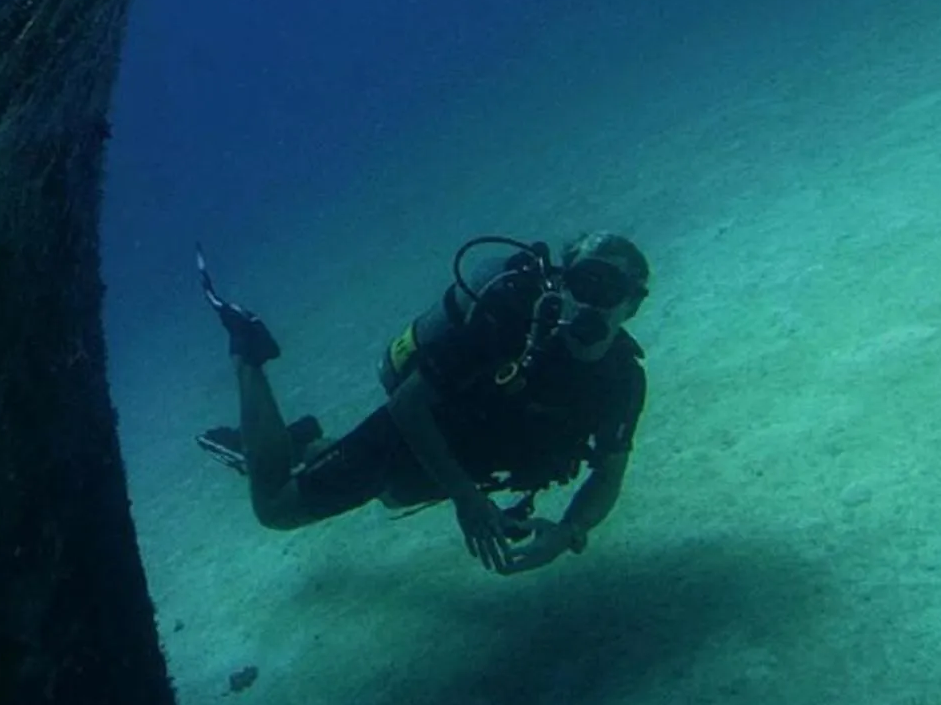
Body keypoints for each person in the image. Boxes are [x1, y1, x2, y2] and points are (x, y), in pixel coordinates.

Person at [196, 232, 650, 574]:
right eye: (582, 283)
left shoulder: (623, 380)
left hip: (471, 457)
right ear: (562, 283)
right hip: (417, 426)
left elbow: (609, 474)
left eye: (610, 291)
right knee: (277, 507)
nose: (592, 303)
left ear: (632, 306)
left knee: (392, 495)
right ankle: (247, 351)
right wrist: (465, 497)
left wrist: (569, 532)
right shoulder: (506, 320)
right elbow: (409, 405)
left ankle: (307, 444)